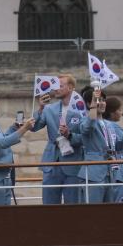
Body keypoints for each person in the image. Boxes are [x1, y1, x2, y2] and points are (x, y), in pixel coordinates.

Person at [31, 74, 85, 204]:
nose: (56, 89)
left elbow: (86, 137)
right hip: (51, 162)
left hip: (72, 163)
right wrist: (40, 108)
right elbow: (33, 127)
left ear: (71, 87)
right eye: (55, 86)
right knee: (49, 205)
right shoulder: (49, 109)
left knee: (72, 205)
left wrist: (69, 135)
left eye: (60, 86)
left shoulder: (81, 109)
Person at [81, 94, 123, 203]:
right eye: (98, 100)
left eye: (103, 100)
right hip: (94, 174)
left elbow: (119, 146)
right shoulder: (85, 121)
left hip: (111, 172)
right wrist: (93, 107)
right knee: (93, 212)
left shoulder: (109, 124)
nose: (102, 103)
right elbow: (88, 127)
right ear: (90, 104)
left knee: (108, 212)